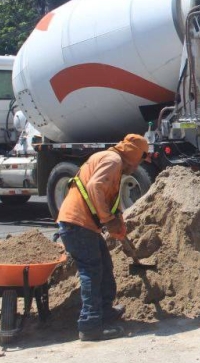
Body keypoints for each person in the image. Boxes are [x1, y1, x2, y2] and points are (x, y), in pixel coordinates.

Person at [57, 134, 147, 341]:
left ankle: (104, 312)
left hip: (84, 225)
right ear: (133, 153)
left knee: (105, 266)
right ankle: (90, 325)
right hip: (77, 224)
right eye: (142, 157)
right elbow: (95, 187)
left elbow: (104, 196)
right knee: (92, 271)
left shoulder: (112, 162)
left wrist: (116, 221)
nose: (140, 164)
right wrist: (108, 220)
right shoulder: (113, 160)